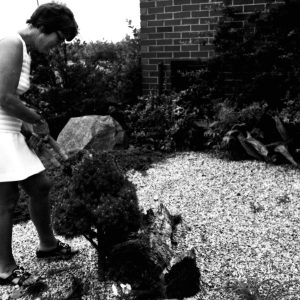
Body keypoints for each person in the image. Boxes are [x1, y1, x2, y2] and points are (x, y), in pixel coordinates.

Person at [0, 2, 78, 286]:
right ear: (44, 27)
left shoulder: (22, 48)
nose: (57, 46)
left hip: (9, 131)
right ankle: (4, 269)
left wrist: (27, 127)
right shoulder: (10, 42)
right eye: (58, 38)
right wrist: (37, 118)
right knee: (5, 202)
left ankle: (47, 246)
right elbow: (3, 98)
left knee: (40, 186)